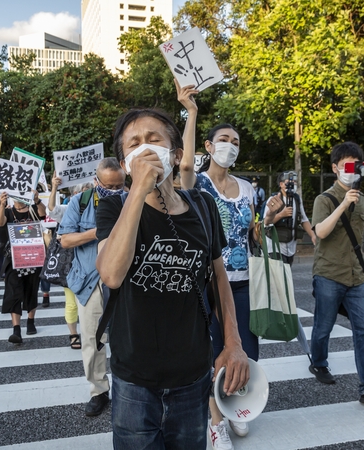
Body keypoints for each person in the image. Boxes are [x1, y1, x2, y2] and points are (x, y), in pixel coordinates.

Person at [96, 107, 249, 449]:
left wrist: (233, 343)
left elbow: (218, 278)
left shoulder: (203, 205)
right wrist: (138, 192)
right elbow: (111, 274)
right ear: (125, 164)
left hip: (192, 376)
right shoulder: (112, 208)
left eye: (154, 139)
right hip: (135, 380)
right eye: (134, 144)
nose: (145, 149)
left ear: (177, 154)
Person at [178, 83, 258, 448]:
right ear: (209, 147)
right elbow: (183, 165)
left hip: (243, 282)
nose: (231, 145)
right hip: (207, 283)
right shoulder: (199, 184)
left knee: (246, 350)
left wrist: (268, 219)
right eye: (224, 139)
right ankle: (215, 421)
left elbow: (251, 233)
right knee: (213, 352)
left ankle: (237, 405)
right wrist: (191, 112)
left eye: (236, 141)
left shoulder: (248, 188)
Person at [309, 141, 364, 404]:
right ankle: (319, 362)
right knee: (323, 327)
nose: (352, 170)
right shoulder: (324, 199)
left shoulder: (362, 199)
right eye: (347, 165)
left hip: (357, 276)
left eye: (356, 165)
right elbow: (321, 232)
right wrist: (342, 205)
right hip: (328, 273)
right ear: (335, 168)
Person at [59, 158, 125, 417]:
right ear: (97, 181)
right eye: (109, 186)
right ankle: (99, 391)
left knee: (127, 337)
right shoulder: (81, 201)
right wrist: (99, 232)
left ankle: (128, 388)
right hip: (89, 280)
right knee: (91, 339)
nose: (115, 190)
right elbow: (65, 240)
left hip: (124, 279)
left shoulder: (132, 198)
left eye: (120, 184)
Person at [0, 190, 48, 343]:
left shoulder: (33, 210)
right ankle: (16, 329)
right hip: (14, 259)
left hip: (33, 257)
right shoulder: (8, 211)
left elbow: (43, 214)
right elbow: (0, 223)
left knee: (31, 289)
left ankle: (30, 321)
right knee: (13, 291)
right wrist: (1, 204)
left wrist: (37, 200)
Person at [47, 175, 87, 350]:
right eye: (86, 191)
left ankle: (90, 332)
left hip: (90, 263)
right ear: (76, 193)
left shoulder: (97, 208)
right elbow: (51, 209)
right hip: (70, 264)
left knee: (90, 301)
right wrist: (54, 187)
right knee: (72, 302)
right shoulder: (67, 209)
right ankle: (73, 334)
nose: (90, 194)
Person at [263, 171, 317, 266]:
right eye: (289, 182)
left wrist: (313, 235)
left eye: (295, 182)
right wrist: (281, 215)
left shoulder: (297, 199)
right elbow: (265, 223)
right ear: (281, 184)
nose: (292, 184)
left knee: (286, 277)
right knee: (279, 279)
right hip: (275, 248)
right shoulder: (274, 199)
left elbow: (304, 220)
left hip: (291, 248)